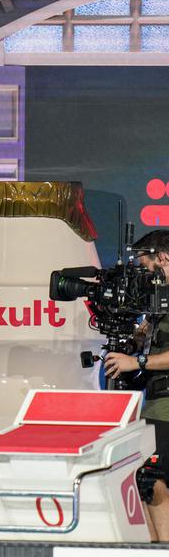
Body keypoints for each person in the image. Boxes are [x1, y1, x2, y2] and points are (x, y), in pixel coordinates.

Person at [104, 228, 169, 541]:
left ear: (163, 257)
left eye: (146, 268)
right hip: (156, 405)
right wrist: (133, 341)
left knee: (153, 479)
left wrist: (137, 362)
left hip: (166, 410)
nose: (145, 277)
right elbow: (147, 330)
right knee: (145, 481)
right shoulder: (160, 299)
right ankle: (154, 555)